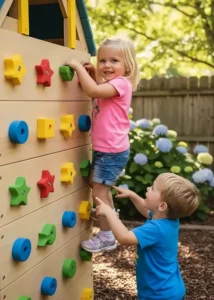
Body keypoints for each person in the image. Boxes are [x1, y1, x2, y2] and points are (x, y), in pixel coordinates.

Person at [65, 36, 140, 252]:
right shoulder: (111, 84)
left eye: (114, 61)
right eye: (103, 61)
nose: (107, 65)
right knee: (100, 190)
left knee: (98, 192)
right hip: (107, 150)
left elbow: (95, 91)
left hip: (112, 152)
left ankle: (106, 236)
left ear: (128, 66)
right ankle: (109, 221)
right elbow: (99, 87)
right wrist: (92, 73)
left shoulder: (121, 84)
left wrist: (78, 68)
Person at [93, 173, 200, 300]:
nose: (148, 188)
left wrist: (109, 213)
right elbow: (146, 211)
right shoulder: (169, 220)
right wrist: (132, 195)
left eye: (153, 188)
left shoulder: (155, 229)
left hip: (159, 295)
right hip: (168, 290)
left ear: (162, 206)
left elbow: (125, 238)